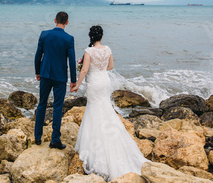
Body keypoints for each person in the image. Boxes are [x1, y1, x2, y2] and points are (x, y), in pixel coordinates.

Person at [71, 25, 150, 181]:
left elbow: (84, 70)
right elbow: (111, 66)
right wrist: (100, 70)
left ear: (90, 37)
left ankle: (95, 148)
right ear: (101, 36)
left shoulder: (89, 51)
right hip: (104, 81)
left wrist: (77, 84)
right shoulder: (107, 49)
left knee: (94, 111)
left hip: (94, 83)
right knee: (105, 109)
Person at [34, 11, 77, 149]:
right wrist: (73, 80)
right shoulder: (69, 39)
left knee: (42, 104)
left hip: (45, 74)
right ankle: (55, 139)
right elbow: (71, 62)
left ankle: (37, 137)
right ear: (67, 22)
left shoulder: (44, 34)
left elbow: (38, 56)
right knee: (58, 107)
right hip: (60, 77)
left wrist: (37, 72)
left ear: (55, 20)